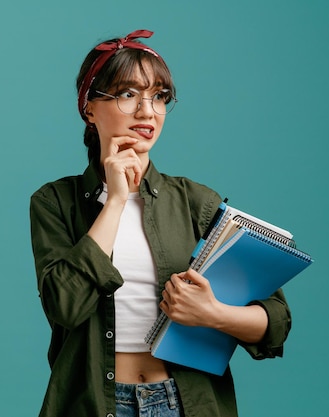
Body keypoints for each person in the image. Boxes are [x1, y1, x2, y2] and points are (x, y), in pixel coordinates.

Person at [29, 29, 292, 417]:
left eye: (159, 97)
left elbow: (276, 321)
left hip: (185, 402)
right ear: (89, 108)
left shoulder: (196, 202)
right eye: (127, 94)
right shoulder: (55, 202)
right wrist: (116, 201)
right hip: (94, 404)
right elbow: (64, 307)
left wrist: (212, 313)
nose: (147, 111)